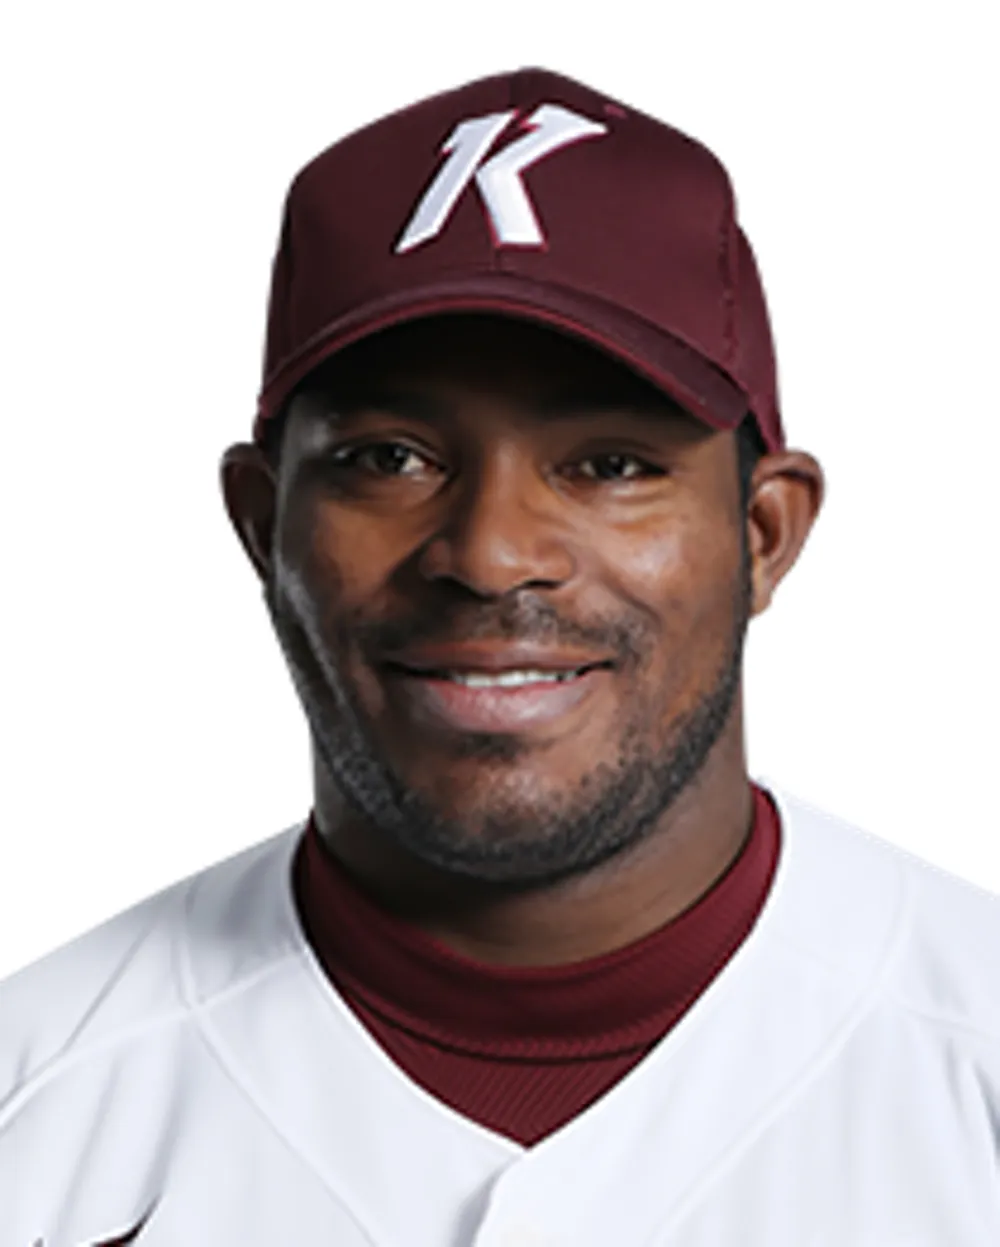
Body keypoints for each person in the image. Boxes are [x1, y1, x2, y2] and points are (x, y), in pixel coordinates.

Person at [2, 67, 998, 1246]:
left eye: (610, 463)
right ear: (261, 525)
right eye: (388, 457)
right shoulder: (34, 1100)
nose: (488, 554)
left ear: (762, 532)